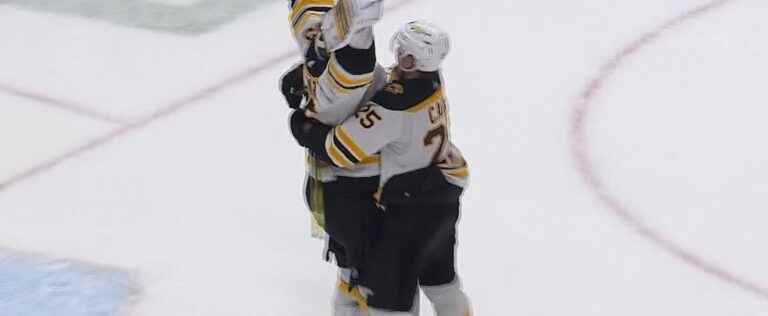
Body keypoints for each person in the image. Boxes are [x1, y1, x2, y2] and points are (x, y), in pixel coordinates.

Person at [289, 20, 473, 316]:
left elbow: (340, 148)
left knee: (389, 302)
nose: (397, 56)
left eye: (403, 53)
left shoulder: (394, 105)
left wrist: (302, 126)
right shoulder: (432, 83)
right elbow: (387, 84)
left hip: (406, 219)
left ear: (414, 60)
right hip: (442, 201)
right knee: (442, 283)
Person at [280, 0, 387, 314]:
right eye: (307, 29)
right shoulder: (319, 58)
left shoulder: (347, 64)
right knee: (354, 268)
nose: (313, 35)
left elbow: (356, 59)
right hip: (338, 190)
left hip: (355, 190)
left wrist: (307, 132)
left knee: (369, 276)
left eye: (318, 27)